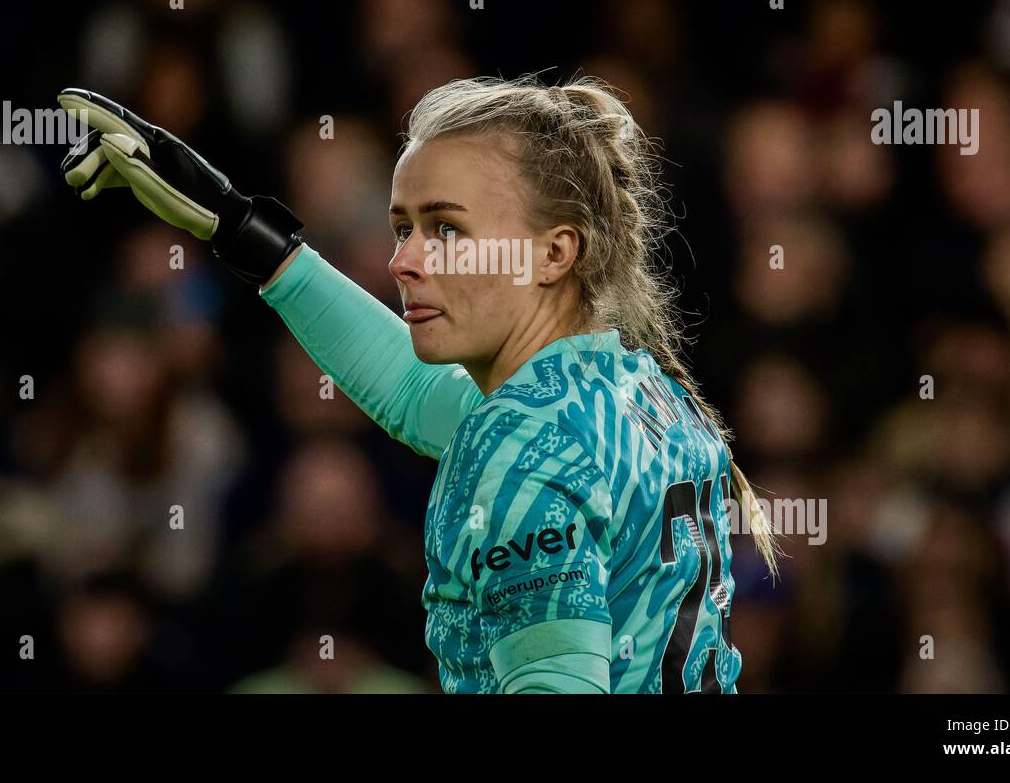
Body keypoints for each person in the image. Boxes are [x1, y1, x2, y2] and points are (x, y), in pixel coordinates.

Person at [58, 74, 780, 693]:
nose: (405, 260)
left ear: (555, 252)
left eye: (447, 230)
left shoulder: (527, 439)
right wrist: (241, 228)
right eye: (403, 226)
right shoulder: (635, 385)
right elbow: (407, 389)